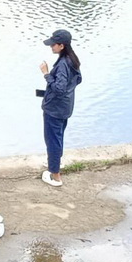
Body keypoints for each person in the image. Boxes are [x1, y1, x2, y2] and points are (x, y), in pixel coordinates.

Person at [39, 29, 82, 187]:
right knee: (58, 137)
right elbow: (77, 80)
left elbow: (59, 89)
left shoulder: (63, 64)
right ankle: (56, 161)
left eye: (53, 45)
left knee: (52, 140)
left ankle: (55, 176)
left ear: (62, 46)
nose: (51, 47)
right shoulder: (72, 60)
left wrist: (46, 74)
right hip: (65, 107)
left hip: (55, 109)